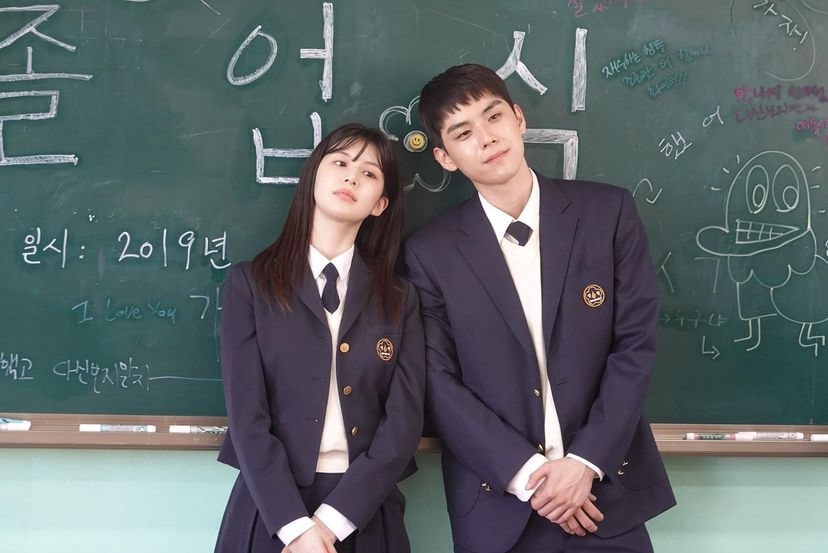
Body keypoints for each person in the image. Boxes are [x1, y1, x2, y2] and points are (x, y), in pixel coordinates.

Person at [404, 64, 675, 553]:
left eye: (494, 117)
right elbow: (436, 381)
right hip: (499, 509)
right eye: (463, 133)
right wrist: (534, 478)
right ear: (445, 157)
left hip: (605, 500)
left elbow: (635, 345)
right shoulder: (429, 253)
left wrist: (584, 464)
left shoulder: (607, 214)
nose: (487, 138)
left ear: (519, 118)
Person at [215, 123, 425, 553]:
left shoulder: (399, 298)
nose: (351, 177)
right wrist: (296, 528)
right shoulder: (251, 285)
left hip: (364, 512)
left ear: (380, 204)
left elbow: (403, 422)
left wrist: (330, 524)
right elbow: (247, 417)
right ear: (313, 175)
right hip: (271, 511)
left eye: (369, 173)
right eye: (340, 162)